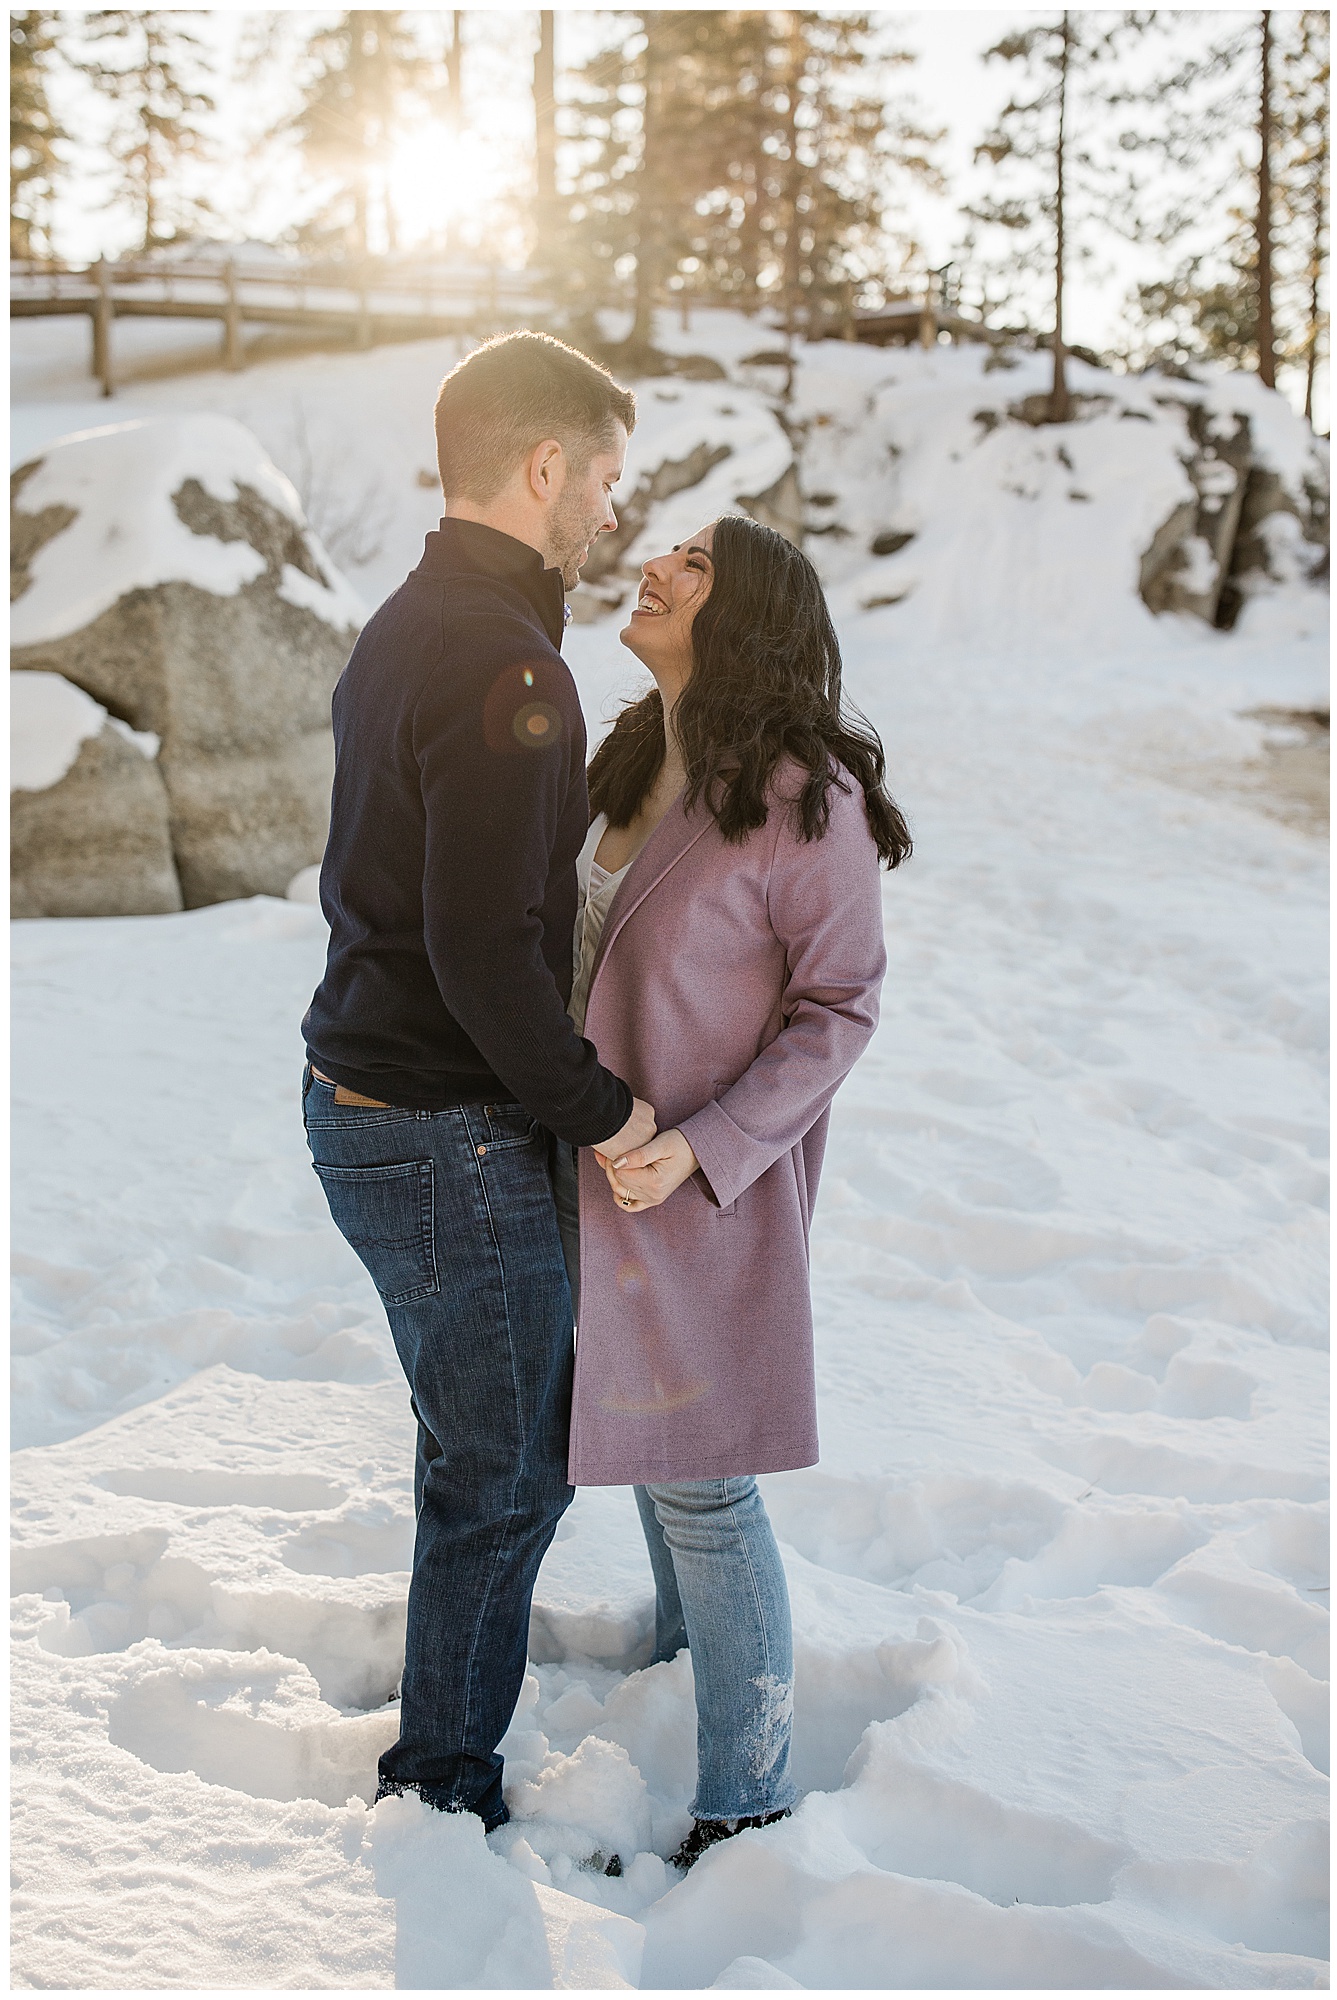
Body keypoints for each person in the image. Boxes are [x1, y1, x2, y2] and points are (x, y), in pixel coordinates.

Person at [301, 331, 656, 1833]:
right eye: (607, 481)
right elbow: (481, 946)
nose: (611, 515)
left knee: (482, 1448)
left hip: (376, 1108)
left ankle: (443, 1744)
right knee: (504, 1477)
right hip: (438, 1128)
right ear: (545, 465)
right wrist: (605, 1113)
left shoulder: (413, 621)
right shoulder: (506, 654)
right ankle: (439, 1789)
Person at [551, 513, 910, 1870]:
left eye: (694, 561)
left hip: (699, 1194)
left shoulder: (800, 791)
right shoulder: (636, 754)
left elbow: (842, 1006)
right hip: (580, 1178)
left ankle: (746, 1801)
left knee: (704, 1489)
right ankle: (669, 1677)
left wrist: (706, 1144)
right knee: (655, 1471)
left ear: (748, 608)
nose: (654, 564)